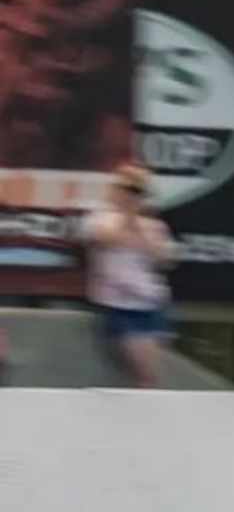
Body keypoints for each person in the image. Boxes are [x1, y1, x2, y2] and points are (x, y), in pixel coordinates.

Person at [83, 162, 176, 388]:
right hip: (111, 304)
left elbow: (164, 259)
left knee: (146, 374)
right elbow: (107, 239)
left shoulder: (153, 226)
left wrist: (137, 219)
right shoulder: (98, 219)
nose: (130, 195)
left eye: (137, 191)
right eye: (126, 189)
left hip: (144, 306)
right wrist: (127, 215)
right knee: (119, 373)